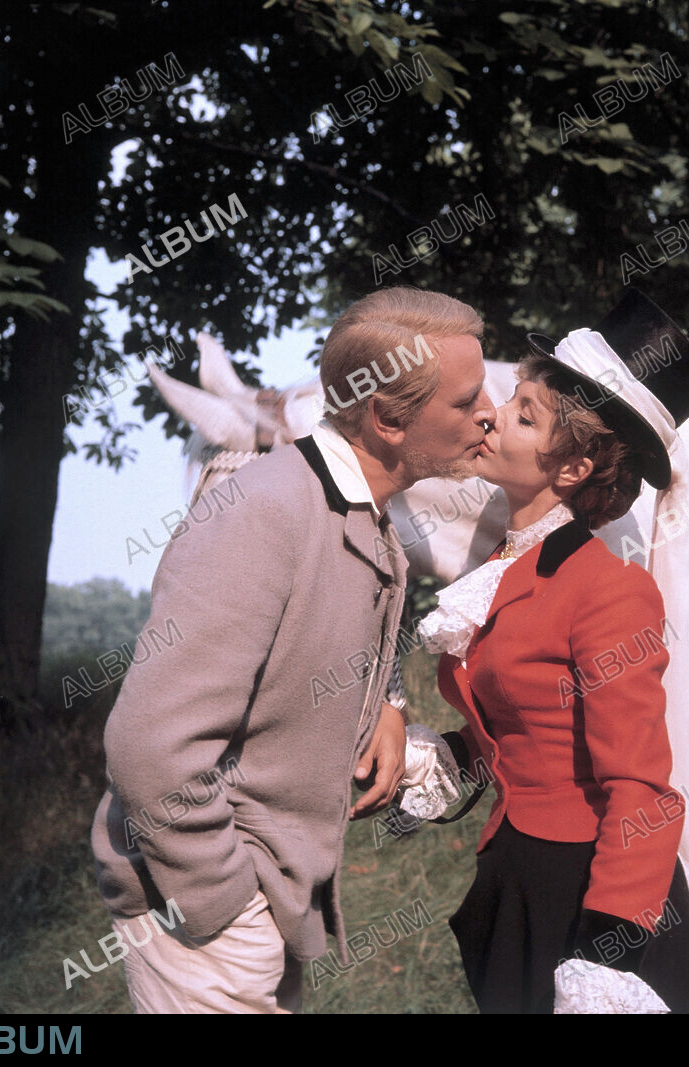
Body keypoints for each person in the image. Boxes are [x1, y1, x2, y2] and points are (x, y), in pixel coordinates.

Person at [90, 286, 498, 1014]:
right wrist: (224, 904)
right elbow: (149, 746)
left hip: (265, 908)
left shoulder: (363, 520)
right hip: (210, 922)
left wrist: (390, 705)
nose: (489, 415)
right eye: (467, 402)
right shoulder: (265, 510)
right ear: (386, 419)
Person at [411, 289, 689, 1014]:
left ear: (574, 468)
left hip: (591, 897)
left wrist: (606, 951)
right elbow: (530, 727)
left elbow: (642, 789)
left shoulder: (610, 591)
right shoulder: (505, 566)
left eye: (525, 414)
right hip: (518, 881)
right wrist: (449, 756)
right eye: (509, 400)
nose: (493, 417)